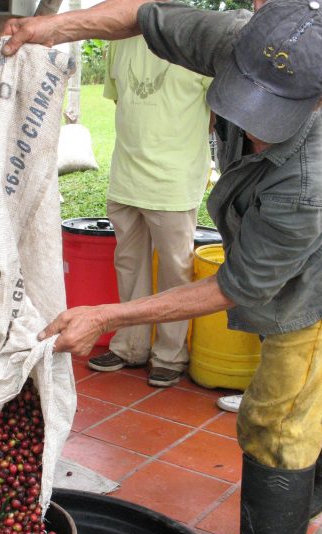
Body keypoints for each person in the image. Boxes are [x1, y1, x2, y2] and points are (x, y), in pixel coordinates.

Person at [2, 1, 322, 534]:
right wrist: (50, 27)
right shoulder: (240, 42)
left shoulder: (317, 177)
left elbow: (234, 286)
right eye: (244, 100)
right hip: (272, 247)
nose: (251, 125)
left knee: (274, 417)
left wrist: (109, 314)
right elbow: (145, 16)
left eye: (271, 115)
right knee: (307, 387)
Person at [88, 35, 212, 388]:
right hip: (126, 176)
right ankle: (130, 346)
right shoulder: (121, 39)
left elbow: (214, 114)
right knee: (129, 264)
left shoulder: (195, 38)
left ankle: (170, 355)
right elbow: (120, 102)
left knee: (176, 269)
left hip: (173, 180)